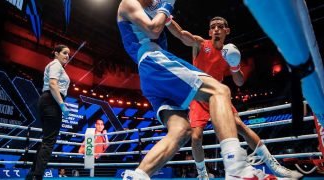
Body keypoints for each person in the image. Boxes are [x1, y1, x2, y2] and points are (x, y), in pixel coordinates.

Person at [117, 0, 276, 179]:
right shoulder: (129, 2)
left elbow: (239, 81)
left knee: (182, 130)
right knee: (220, 91)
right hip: (154, 60)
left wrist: (234, 66)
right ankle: (236, 168)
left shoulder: (151, 8)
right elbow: (154, 29)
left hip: (152, 72)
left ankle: (138, 175)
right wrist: (167, 5)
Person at [166, 16, 304, 179]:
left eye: (220, 26)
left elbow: (239, 81)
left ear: (227, 30)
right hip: (199, 95)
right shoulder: (201, 44)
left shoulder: (229, 52)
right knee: (196, 137)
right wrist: (166, 17)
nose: (216, 29)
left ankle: (274, 166)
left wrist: (234, 65)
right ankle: (203, 174)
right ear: (210, 31)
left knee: (240, 125)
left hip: (217, 96)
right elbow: (181, 34)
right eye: (213, 27)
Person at [26, 44, 71, 180]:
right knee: (49, 140)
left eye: (68, 54)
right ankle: (37, 176)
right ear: (56, 53)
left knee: (47, 140)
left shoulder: (57, 66)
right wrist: (62, 105)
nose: (67, 56)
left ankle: (32, 174)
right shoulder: (55, 65)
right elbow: (53, 84)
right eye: (64, 53)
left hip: (50, 101)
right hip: (52, 101)